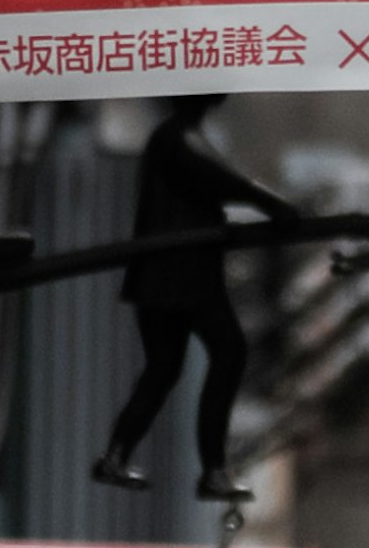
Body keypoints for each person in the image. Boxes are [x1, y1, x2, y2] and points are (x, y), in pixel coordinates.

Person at [94, 91, 296, 504]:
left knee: (164, 369)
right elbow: (215, 180)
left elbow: (212, 182)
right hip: (181, 276)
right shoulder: (177, 139)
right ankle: (213, 470)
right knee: (228, 352)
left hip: (170, 275)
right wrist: (268, 202)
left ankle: (118, 456)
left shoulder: (181, 137)